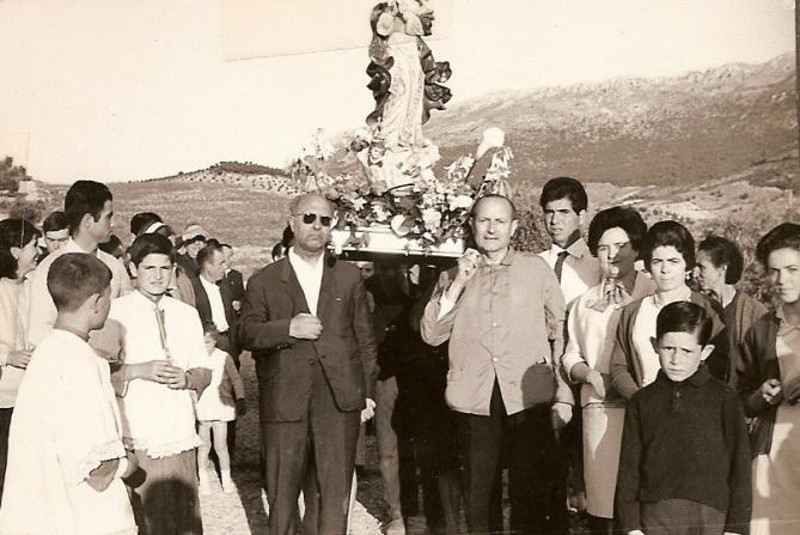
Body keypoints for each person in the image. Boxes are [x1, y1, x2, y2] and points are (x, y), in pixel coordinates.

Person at [420, 194, 572, 534]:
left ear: (513, 227)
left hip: (527, 396)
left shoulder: (535, 269)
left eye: (499, 221)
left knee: (530, 493)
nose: (491, 229)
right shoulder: (452, 276)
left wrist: (562, 393)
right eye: (484, 221)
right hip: (474, 397)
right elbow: (431, 334)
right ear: (473, 225)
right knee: (478, 494)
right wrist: (460, 280)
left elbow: (560, 330)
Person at [238, 192, 377, 535]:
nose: (317, 226)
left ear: (333, 227)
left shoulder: (348, 277)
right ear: (292, 223)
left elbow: (365, 340)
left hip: (338, 402)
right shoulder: (264, 280)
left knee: (334, 496)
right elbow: (246, 333)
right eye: (309, 218)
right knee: (283, 495)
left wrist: (367, 394)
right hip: (286, 401)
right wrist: (288, 328)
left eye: (325, 220)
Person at [0, 253, 138, 535]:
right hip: (75, 517)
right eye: (109, 298)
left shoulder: (47, 352)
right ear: (97, 302)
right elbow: (96, 469)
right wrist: (130, 463)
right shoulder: (78, 362)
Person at [98, 233, 211, 535]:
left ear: (174, 269)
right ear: (134, 269)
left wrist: (188, 378)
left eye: (165, 268)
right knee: (146, 520)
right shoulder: (116, 312)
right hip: (139, 434)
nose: (157, 276)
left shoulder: (187, 314)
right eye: (149, 268)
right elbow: (98, 375)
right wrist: (137, 370)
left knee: (184, 521)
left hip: (180, 432)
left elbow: (205, 370)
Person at [616, 301, 751, 535]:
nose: (676, 360)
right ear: (655, 345)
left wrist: (736, 528)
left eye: (687, 351)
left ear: (705, 352)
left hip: (711, 516)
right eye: (669, 349)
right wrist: (631, 526)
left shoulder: (725, 399)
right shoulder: (642, 401)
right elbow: (629, 469)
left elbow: (740, 468)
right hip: (655, 516)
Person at [561, 207, 654, 535]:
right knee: (604, 509)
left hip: (642, 409)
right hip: (601, 411)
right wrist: (589, 375)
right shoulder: (584, 303)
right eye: (603, 247)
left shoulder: (652, 292)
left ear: (637, 248)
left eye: (621, 245)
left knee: (642, 502)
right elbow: (570, 354)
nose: (612, 254)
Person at [610, 220, 730, 400]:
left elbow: (720, 363)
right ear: (649, 265)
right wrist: (640, 400)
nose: (665, 270)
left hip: (696, 409)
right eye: (658, 261)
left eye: (673, 261)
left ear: (687, 265)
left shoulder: (707, 307)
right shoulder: (633, 312)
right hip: (647, 410)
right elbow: (618, 367)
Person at [738, 222, 800, 535]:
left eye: (792, 269)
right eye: (774, 271)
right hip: (774, 456)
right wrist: (761, 395)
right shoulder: (763, 329)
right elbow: (741, 396)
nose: (782, 280)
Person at [27, 180, 132, 348]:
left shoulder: (115, 267)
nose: (111, 224)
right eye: (108, 217)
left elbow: (128, 321)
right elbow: (38, 334)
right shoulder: (49, 268)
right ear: (88, 221)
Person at [0, 219, 40, 504]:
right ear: (15, 251)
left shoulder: (33, 286)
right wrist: (7, 356)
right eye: (34, 246)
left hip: (29, 395)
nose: (39, 251)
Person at [695, 235, 768, 386]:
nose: (695, 274)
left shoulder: (755, 313)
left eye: (702, 267)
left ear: (722, 269)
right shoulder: (698, 306)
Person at [196, 323, 246, 495]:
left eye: (208, 342)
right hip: (202, 405)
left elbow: (236, 379)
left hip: (221, 405)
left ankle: (226, 479)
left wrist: (240, 397)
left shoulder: (224, 357)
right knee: (203, 446)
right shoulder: (195, 357)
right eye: (201, 342)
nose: (205, 346)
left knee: (221, 445)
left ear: (215, 341)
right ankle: (204, 481)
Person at [538, 176, 601, 306]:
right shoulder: (535, 264)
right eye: (550, 212)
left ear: (581, 216)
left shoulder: (598, 265)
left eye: (564, 212)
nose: (555, 220)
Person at [192, 240, 239, 362]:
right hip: (207, 347)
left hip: (228, 344)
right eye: (221, 263)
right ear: (208, 266)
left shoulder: (224, 286)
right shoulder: (192, 289)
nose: (225, 267)